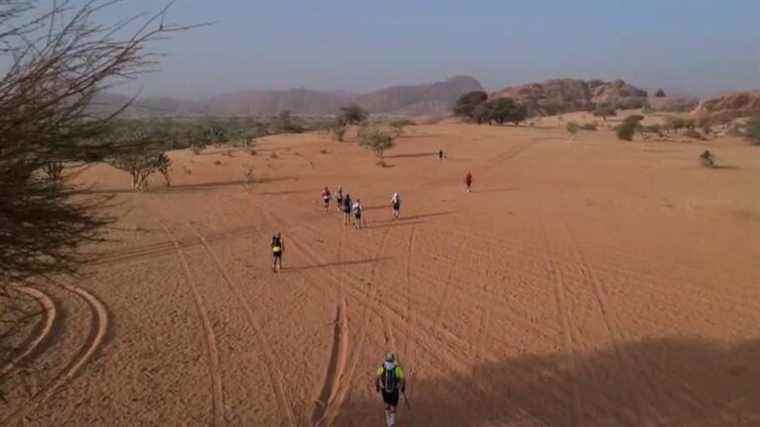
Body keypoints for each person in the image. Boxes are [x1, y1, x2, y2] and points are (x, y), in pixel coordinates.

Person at [376, 352, 406, 427]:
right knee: (393, 405)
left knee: (387, 404)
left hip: (384, 389)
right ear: (393, 359)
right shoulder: (397, 368)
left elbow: (377, 378)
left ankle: (388, 421)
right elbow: (402, 379)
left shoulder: (382, 367)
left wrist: (377, 387)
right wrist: (402, 388)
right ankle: (392, 423)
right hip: (394, 390)